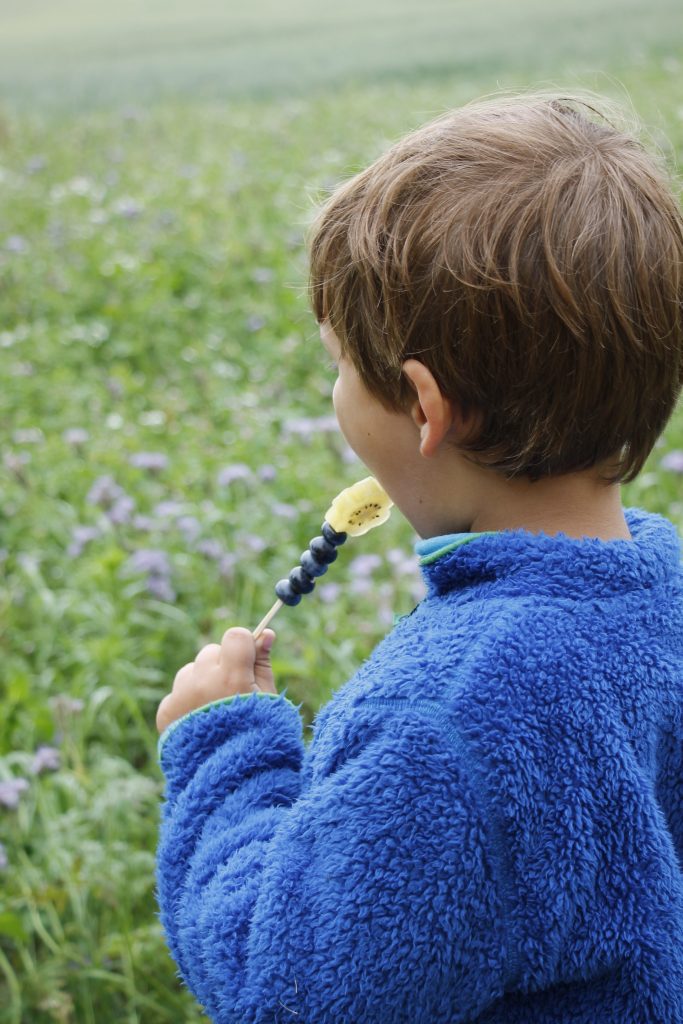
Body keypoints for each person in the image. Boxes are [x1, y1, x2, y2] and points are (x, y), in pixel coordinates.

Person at [155, 92, 683, 1022]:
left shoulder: (446, 718)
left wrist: (225, 757)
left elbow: (292, 990)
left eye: (341, 365)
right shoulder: (662, 582)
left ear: (424, 407)